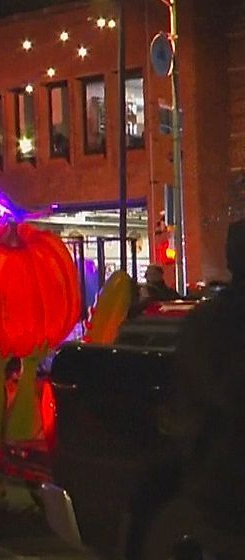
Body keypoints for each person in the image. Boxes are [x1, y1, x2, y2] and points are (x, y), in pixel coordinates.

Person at [163, 220, 245, 557]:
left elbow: (188, 401)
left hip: (214, 488)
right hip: (223, 484)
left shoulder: (204, 323)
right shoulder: (214, 324)